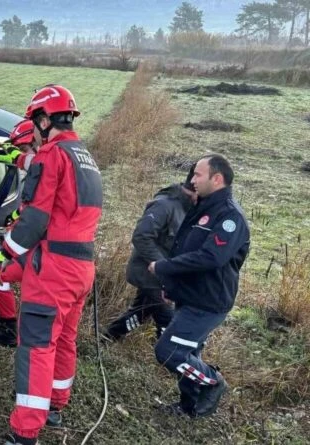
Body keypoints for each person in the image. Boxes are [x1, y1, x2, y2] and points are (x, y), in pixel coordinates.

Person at [0, 85, 102, 444]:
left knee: (36, 347)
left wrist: (6, 253)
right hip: (82, 267)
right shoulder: (83, 156)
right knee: (64, 339)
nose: (34, 132)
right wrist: (19, 159)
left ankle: (24, 433)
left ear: (43, 119)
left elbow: (34, 219)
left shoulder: (50, 156)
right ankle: (56, 404)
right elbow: (60, 192)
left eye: (34, 123)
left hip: (53, 268)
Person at [150, 154, 249, 418]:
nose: (192, 180)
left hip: (208, 302)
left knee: (169, 351)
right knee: (189, 351)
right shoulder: (203, 208)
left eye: (198, 175)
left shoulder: (230, 217)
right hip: (190, 296)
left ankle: (213, 382)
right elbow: (184, 247)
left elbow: (210, 257)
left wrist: (163, 268)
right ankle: (188, 407)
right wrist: (172, 286)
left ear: (217, 179)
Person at [103, 165, 197, 341]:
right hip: (148, 274)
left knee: (141, 312)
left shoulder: (191, 209)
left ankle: (109, 336)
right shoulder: (165, 205)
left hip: (164, 276)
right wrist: (164, 268)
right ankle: (169, 357)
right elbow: (141, 237)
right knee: (168, 320)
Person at [0, 119, 38, 347]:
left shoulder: (42, 169)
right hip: (43, 249)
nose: (22, 157)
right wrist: (14, 216)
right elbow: (30, 207)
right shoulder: (45, 163)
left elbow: (36, 216)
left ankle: (9, 329)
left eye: (24, 150)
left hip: (39, 250)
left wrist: (4, 255)